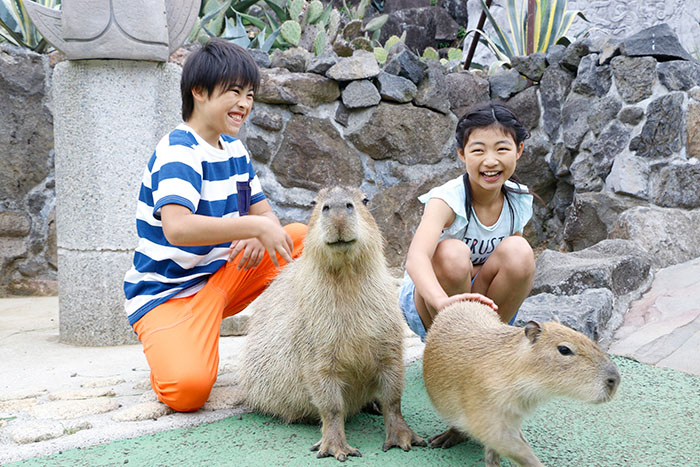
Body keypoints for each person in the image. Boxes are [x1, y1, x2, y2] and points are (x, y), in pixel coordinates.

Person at [123, 39, 306, 412]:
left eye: (250, 94)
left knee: (302, 240)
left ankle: (306, 352)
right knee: (187, 392)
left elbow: (265, 215)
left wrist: (260, 228)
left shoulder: (235, 150)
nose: (245, 103)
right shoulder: (179, 150)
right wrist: (250, 228)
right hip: (168, 295)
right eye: (234, 92)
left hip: (221, 280)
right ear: (199, 92)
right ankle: (177, 343)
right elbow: (178, 227)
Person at [400, 101, 536, 341]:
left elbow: (509, 265)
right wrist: (442, 302)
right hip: (432, 300)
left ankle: (490, 342)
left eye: (501, 149)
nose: (491, 161)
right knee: (451, 253)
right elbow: (416, 259)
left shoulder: (519, 199)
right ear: (461, 153)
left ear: (519, 149)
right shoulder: (446, 200)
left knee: (520, 252)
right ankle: (451, 346)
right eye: (478, 150)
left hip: (482, 297)